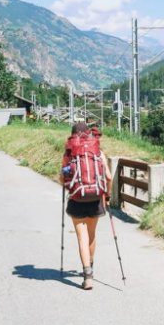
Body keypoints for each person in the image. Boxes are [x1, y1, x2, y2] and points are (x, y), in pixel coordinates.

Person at [62, 121, 111, 290]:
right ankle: (91, 266)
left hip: (77, 198)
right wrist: (108, 196)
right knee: (91, 234)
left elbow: (63, 178)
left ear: (73, 134)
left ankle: (87, 276)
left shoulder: (70, 152)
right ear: (88, 133)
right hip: (96, 197)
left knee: (81, 237)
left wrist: (66, 183)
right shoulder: (97, 151)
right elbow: (109, 177)